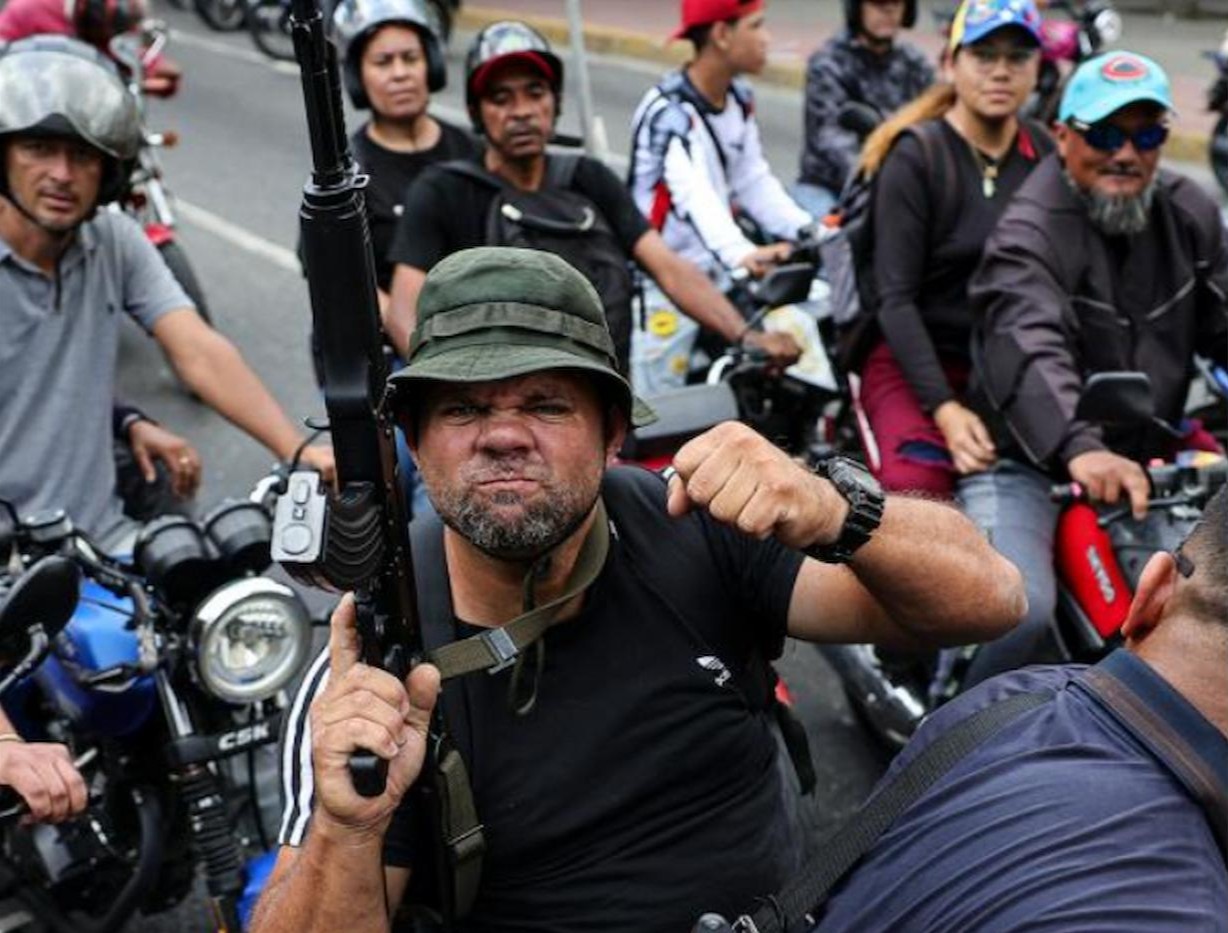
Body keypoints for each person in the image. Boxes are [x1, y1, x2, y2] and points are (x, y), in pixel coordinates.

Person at [253, 246, 1026, 933]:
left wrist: (835, 506)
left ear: (613, 431)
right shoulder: (374, 661)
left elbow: (991, 601)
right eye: (463, 407)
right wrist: (347, 829)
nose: (503, 434)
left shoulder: (697, 524)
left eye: (547, 403)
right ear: (414, 442)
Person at [814, 484, 1228, 931]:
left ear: (1151, 592)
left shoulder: (1010, 696)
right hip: (1019, 464)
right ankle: (933, 685)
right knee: (1025, 607)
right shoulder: (1189, 911)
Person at [0, 36, 333, 553]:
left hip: (103, 547)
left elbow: (198, 350)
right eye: (39, 150)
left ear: (108, 172)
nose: (62, 175)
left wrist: (297, 450)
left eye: (83, 155)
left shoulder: (113, 240)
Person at [962, 50, 1228, 686]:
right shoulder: (1028, 230)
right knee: (1016, 608)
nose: (1126, 153)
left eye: (1147, 134)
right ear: (1062, 136)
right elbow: (1029, 342)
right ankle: (951, 743)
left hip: (1148, 457)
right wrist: (1080, 447)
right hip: (1034, 462)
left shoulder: (1187, 211)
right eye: (1105, 133)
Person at [385, 20, 800, 376]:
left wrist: (748, 336)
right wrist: (458, 392)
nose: (522, 111)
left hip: (600, 403)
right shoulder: (442, 191)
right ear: (477, 113)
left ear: (556, 102)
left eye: (535, 92)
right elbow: (406, 311)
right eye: (501, 99)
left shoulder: (589, 179)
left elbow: (670, 269)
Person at [856, 0, 1048, 497]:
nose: (1001, 72)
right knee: (916, 495)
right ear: (950, 63)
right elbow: (893, 300)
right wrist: (944, 407)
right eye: (983, 55)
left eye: (1017, 57)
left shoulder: (1046, 153)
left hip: (1011, 365)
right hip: (916, 362)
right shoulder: (915, 158)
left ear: (1038, 68)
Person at [628, 0, 814, 285]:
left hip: (720, 272)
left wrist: (806, 229)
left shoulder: (738, 97)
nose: (767, 39)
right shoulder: (670, 115)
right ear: (722, 35)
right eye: (756, 26)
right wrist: (739, 253)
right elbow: (693, 193)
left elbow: (752, 179)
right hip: (666, 283)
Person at [330, 0, 478, 311]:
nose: (400, 74)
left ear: (432, 66)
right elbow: (344, 283)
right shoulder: (345, 177)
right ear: (358, 77)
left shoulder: (473, 150)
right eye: (383, 62)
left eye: (411, 58)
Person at [794, 0, 934, 218]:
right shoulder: (828, 63)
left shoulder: (915, 64)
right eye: (878, 3)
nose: (888, 10)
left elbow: (935, 123)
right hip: (829, 186)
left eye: (897, 3)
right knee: (829, 241)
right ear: (856, 8)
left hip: (898, 184)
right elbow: (830, 138)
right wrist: (878, 175)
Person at [0, 0, 182, 96]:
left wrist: (161, 76)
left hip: (94, 116)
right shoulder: (29, 8)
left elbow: (141, 64)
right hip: (28, 104)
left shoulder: (120, 26)